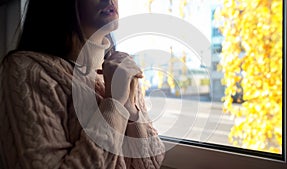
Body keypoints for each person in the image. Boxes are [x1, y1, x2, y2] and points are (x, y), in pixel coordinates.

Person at [0, 0, 165, 168]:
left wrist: (130, 109)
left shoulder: (120, 70)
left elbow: (150, 164)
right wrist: (114, 105)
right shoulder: (27, 70)